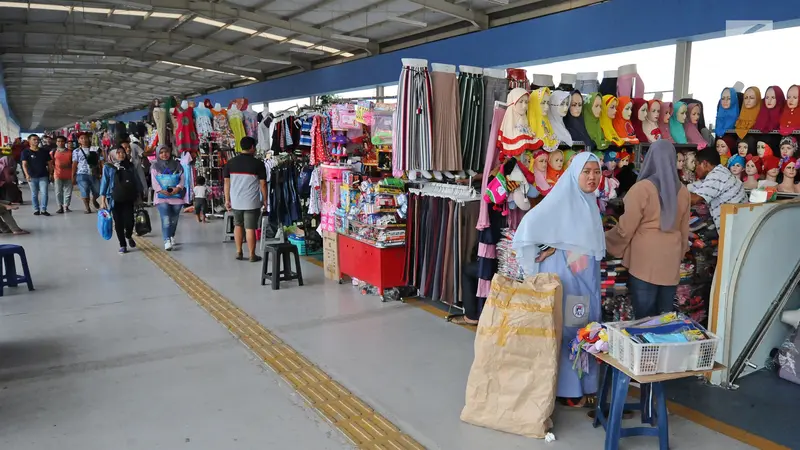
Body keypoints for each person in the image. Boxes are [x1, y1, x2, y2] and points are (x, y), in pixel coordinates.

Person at [512, 152, 604, 406]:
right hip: (570, 281)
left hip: (587, 282)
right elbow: (529, 226)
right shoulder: (562, 199)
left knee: (587, 329)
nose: (593, 177)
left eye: (596, 171)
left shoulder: (588, 202)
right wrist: (546, 245)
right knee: (570, 331)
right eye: (586, 172)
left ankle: (587, 386)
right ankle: (568, 391)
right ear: (575, 173)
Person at [605, 140, 691, 318]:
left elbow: (626, 228)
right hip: (670, 261)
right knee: (665, 318)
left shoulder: (641, 189)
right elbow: (684, 231)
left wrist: (605, 240)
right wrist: (679, 254)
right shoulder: (683, 191)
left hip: (645, 262)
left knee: (644, 319)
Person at [224, 136, 268, 262]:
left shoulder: (230, 163)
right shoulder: (258, 164)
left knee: (238, 225)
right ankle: (252, 255)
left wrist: (227, 200)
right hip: (251, 202)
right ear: (252, 147)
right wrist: (265, 200)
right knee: (250, 228)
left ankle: (239, 252)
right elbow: (263, 184)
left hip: (236, 201)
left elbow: (226, 183)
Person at [688, 149, 747, 230]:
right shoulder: (721, 172)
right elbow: (692, 187)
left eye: (696, 164)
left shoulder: (716, 175)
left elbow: (694, 199)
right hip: (738, 225)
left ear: (704, 164)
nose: (695, 169)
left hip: (734, 230)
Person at [100, 149, 144, 254]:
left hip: (128, 198)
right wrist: (103, 201)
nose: (121, 155)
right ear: (113, 154)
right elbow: (104, 183)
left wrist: (140, 197)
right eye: (118, 153)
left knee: (130, 221)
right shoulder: (108, 167)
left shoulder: (130, 166)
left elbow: (136, 181)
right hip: (114, 199)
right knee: (118, 222)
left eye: (123, 152)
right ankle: (122, 244)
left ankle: (128, 235)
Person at [151, 145, 185, 251]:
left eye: (166, 152)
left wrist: (178, 188)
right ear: (157, 154)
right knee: (166, 218)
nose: (164, 154)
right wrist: (161, 190)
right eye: (161, 152)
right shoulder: (155, 166)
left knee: (174, 219)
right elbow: (154, 181)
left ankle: (171, 236)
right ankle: (166, 240)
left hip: (176, 197)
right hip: (161, 197)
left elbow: (182, 178)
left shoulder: (178, 165)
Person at [21, 134, 53, 216]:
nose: (36, 141)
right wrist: (27, 175)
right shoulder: (25, 152)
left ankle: (43, 209)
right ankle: (36, 209)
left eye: (37, 139)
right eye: (34, 139)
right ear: (29, 141)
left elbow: (50, 163)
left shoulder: (44, 151)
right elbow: (24, 164)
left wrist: (50, 174)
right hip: (32, 176)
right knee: (34, 194)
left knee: (44, 193)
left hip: (43, 175)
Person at [72, 132, 103, 214]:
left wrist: (102, 172)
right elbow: (74, 163)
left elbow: (101, 161)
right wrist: (73, 175)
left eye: (85, 138)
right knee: (84, 191)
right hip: (82, 174)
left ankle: (94, 199)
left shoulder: (96, 149)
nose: (84, 140)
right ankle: (87, 207)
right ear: (78, 140)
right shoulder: (76, 151)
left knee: (98, 191)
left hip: (94, 174)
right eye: (81, 138)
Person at [120, 134, 148, 203]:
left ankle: (141, 200)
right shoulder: (119, 165)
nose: (128, 149)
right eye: (126, 148)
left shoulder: (133, 163)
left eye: (128, 147)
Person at [51, 135, 74, 213]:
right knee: (58, 192)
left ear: (65, 142)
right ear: (56, 142)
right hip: (57, 174)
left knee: (68, 192)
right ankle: (60, 206)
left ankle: (66, 206)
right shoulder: (53, 152)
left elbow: (74, 163)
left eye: (62, 141)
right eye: (58, 141)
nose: (60, 143)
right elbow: (51, 163)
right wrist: (50, 174)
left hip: (68, 174)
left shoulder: (70, 152)